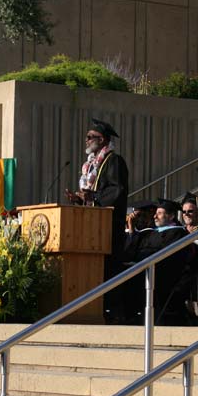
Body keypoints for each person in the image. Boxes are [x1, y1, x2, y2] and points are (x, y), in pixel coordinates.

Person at [65, 119, 129, 279]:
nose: (86, 140)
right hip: (93, 225)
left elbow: (117, 190)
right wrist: (79, 199)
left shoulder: (114, 161)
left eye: (90, 137)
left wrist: (92, 197)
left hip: (109, 227)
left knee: (108, 271)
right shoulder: (91, 164)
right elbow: (94, 193)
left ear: (102, 140)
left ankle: (110, 304)